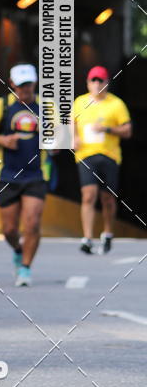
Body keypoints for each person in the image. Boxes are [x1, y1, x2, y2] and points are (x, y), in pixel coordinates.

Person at [0, 64, 50, 287]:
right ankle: (18, 250)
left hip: (36, 174)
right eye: (20, 85)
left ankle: (26, 269)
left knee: (32, 223)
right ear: (12, 84)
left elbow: (62, 138)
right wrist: (3, 141)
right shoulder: (2, 105)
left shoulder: (47, 106)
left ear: (35, 83)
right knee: (9, 229)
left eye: (28, 84)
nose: (24, 89)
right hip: (7, 174)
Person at [73, 66, 132, 254]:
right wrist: (74, 138)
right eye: (94, 80)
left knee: (108, 198)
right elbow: (71, 124)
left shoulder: (116, 104)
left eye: (101, 80)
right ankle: (87, 238)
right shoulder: (80, 102)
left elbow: (127, 130)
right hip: (86, 154)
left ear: (107, 83)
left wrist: (107, 129)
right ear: (88, 83)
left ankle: (107, 233)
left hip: (109, 155)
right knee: (88, 195)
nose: (97, 84)